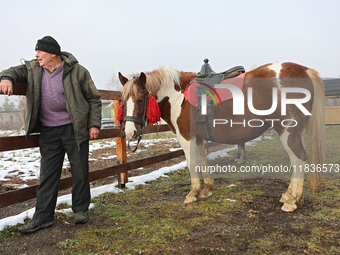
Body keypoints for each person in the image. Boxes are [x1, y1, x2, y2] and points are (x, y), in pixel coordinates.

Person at [0, 36, 102, 233]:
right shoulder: (33, 68)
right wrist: (6, 78)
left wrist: (94, 124)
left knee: (80, 171)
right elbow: (11, 71)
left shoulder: (77, 71)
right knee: (47, 175)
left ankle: (80, 210)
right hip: (48, 130)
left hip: (75, 128)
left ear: (53, 53)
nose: (36, 55)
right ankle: (43, 217)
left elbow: (94, 99)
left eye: (40, 51)